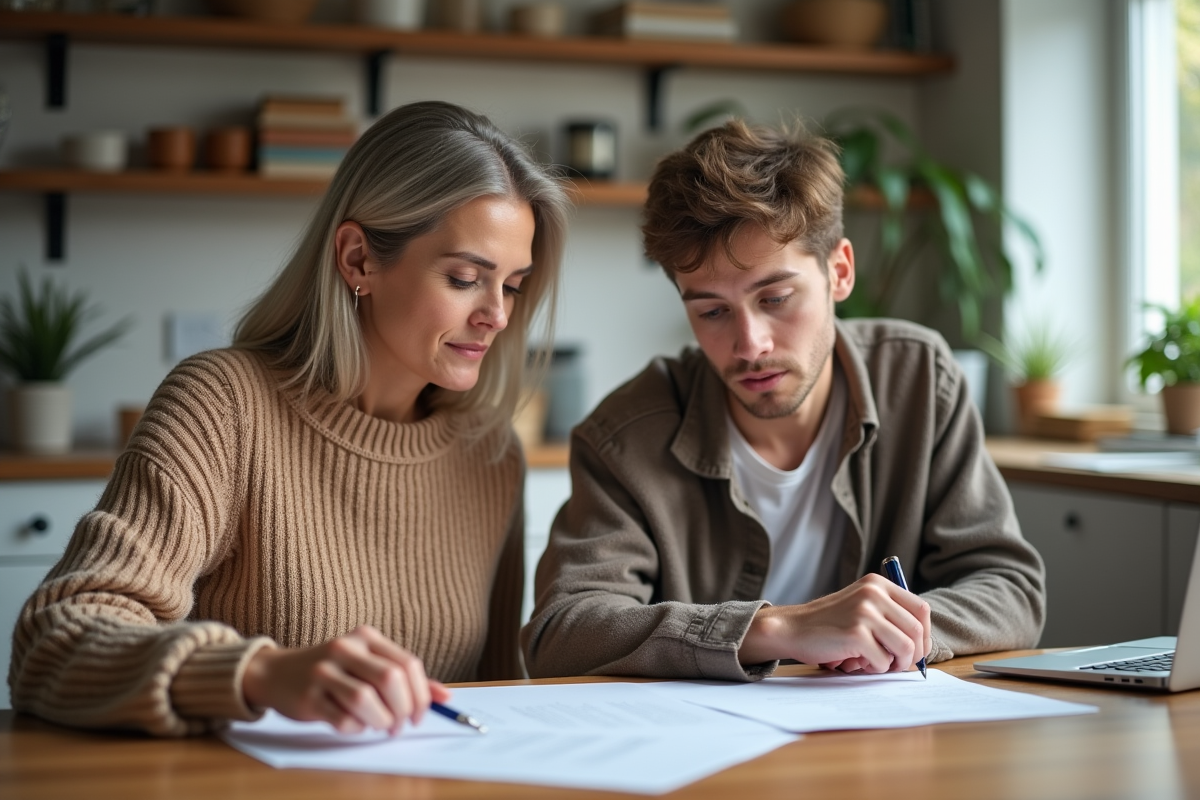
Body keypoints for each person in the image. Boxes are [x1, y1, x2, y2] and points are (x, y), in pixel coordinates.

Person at [9, 101, 570, 736]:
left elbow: (492, 697)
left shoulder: (489, 453)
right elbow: (52, 642)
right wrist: (259, 675)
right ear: (358, 259)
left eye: (514, 285)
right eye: (466, 278)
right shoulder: (222, 407)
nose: (497, 314)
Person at [521, 119, 1045, 682]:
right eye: (712, 311)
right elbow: (564, 630)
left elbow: (1008, 587)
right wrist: (773, 630)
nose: (750, 345)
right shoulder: (624, 436)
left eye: (776, 298)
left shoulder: (918, 380)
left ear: (838, 272)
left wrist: (889, 632)